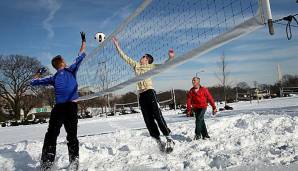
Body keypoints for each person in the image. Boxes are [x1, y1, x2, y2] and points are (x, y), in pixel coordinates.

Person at [31, 32, 87, 170]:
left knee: (55, 134)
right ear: (61, 62)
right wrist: (84, 41)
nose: (66, 61)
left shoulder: (59, 74)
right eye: (64, 60)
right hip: (65, 107)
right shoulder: (66, 71)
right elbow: (80, 54)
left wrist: (38, 72)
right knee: (63, 134)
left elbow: (33, 81)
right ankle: (51, 163)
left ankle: (53, 162)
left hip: (64, 107)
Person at [112, 36, 175, 152]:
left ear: (147, 60)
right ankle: (158, 140)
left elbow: (164, 65)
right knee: (148, 119)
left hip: (150, 92)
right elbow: (124, 57)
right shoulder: (136, 65)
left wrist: (170, 58)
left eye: (144, 56)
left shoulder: (151, 67)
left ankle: (169, 138)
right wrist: (117, 46)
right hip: (141, 95)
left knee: (157, 115)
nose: (141, 57)